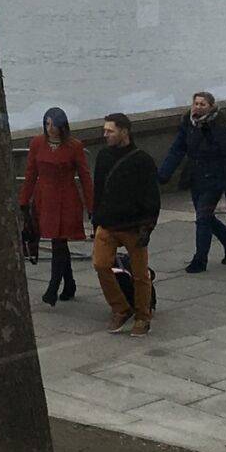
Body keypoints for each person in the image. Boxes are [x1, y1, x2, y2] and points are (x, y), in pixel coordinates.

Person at [89, 113, 160, 334]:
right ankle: (120, 307)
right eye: (105, 131)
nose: (105, 135)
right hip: (107, 222)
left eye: (110, 131)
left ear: (124, 131)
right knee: (101, 264)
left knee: (140, 275)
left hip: (134, 225)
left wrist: (147, 227)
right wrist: (96, 219)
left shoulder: (143, 160)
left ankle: (142, 316)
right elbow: (98, 189)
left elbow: (151, 197)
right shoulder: (102, 157)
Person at [157, 92, 226, 272]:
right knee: (207, 216)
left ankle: (200, 259)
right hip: (195, 178)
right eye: (196, 103)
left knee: (202, 217)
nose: (198, 107)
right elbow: (176, 150)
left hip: (215, 179)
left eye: (202, 104)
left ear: (211, 106)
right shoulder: (188, 123)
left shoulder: (220, 126)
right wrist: (164, 173)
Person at [18, 109, 92, 307]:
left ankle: (53, 286)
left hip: (66, 198)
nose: (50, 129)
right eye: (47, 124)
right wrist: (24, 200)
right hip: (44, 198)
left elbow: (85, 178)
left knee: (59, 242)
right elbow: (31, 173)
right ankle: (69, 284)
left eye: (54, 125)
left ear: (63, 126)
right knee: (58, 243)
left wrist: (92, 206)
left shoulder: (75, 146)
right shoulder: (37, 143)